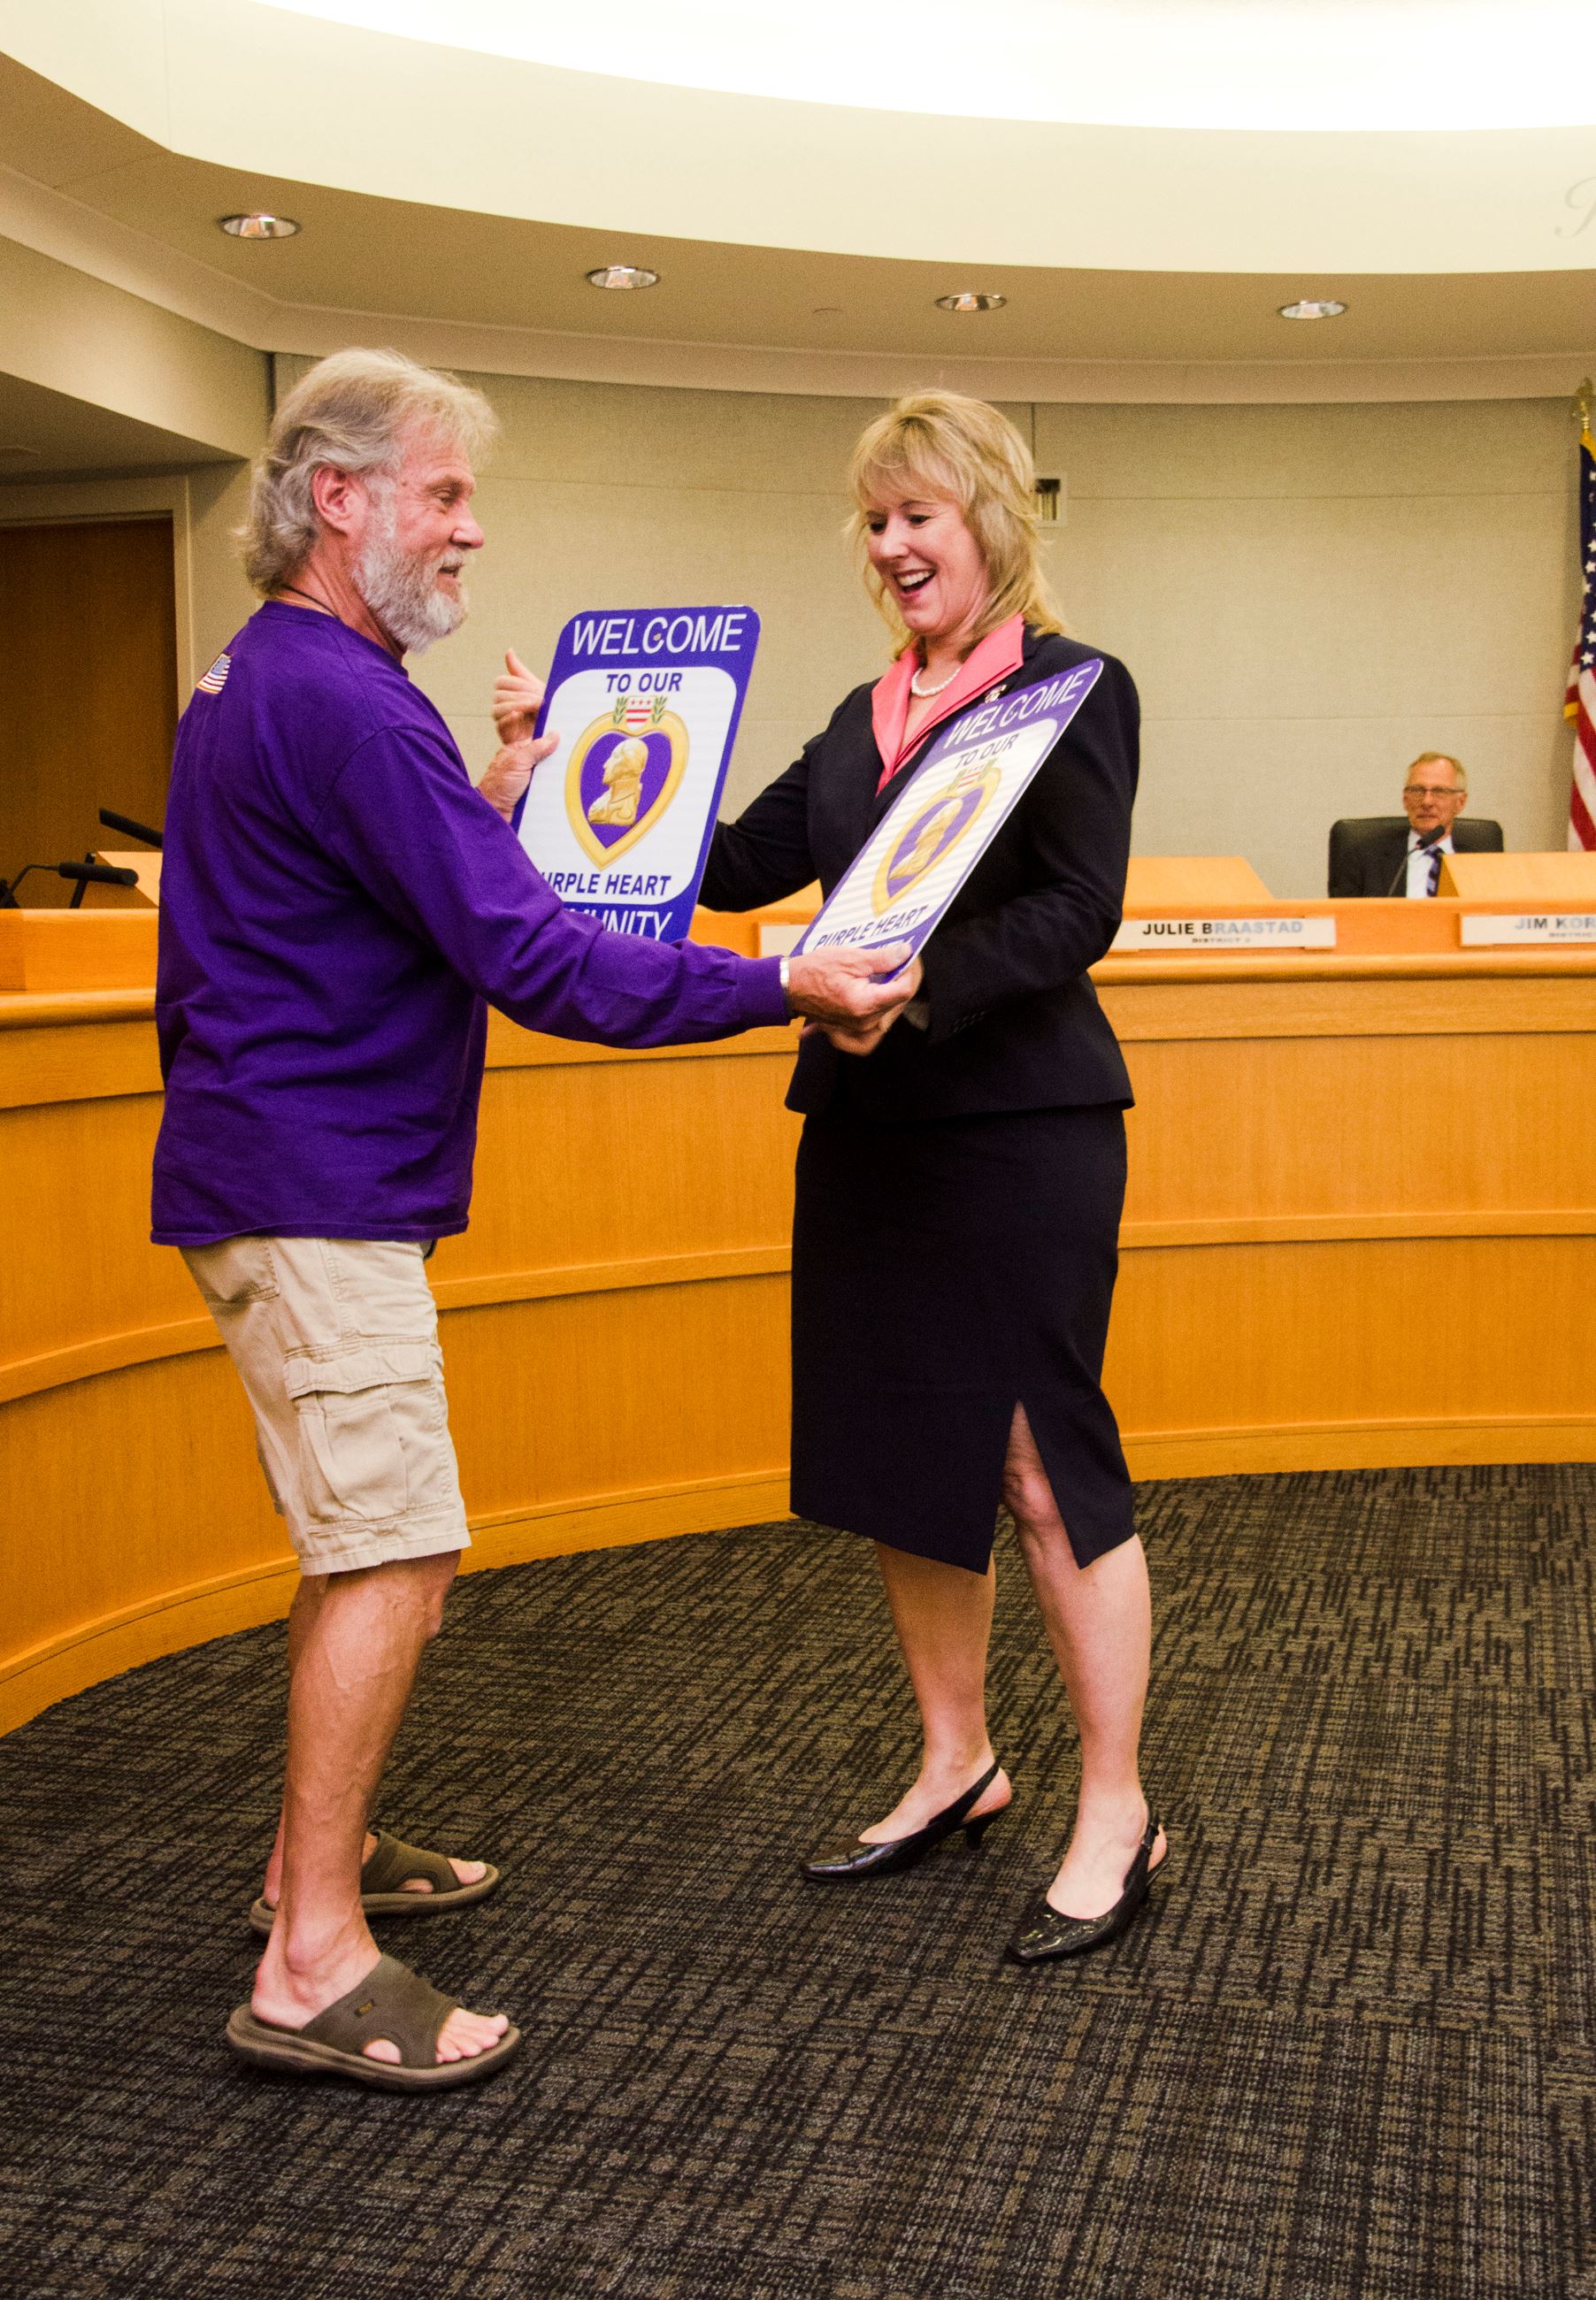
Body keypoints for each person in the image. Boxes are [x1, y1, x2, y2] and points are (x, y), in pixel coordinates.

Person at [153, 348, 913, 2091]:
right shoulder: (342, 699)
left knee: (359, 1543)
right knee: (397, 1556)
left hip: (280, 1172)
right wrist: (774, 979)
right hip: (312, 1187)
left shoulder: (270, 677)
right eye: (442, 495)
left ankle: (306, 1866)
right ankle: (309, 1961)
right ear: (337, 497)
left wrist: (486, 801)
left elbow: (363, 896)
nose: (469, 531)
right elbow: (535, 958)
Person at [699, 389, 1164, 1962]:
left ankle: (1114, 1805)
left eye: (919, 514)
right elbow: (722, 862)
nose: (892, 545)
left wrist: (923, 981)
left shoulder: (1068, 690)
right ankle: (958, 1761)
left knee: (1039, 1470)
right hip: (867, 1126)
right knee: (903, 1455)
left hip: (1017, 1126)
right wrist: (557, 798)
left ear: (988, 520)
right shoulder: (855, 719)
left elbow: (1074, 912)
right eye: (874, 520)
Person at [1327, 752, 1501, 896]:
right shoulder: (1364, 858)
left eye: (1439, 791)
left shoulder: (1484, 864)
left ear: (1460, 802)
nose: (1427, 802)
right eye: (1417, 791)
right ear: (1405, 799)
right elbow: (1343, 925)